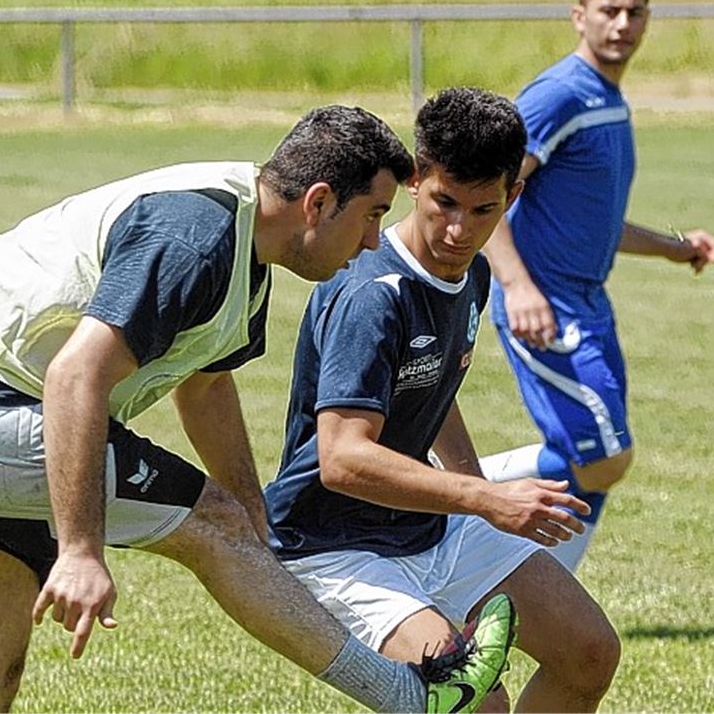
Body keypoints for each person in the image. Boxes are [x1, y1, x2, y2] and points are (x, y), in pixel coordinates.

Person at [0, 105, 517, 714]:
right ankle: (417, 698)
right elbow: (75, 375)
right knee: (212, 524)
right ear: (319, 203)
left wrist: (254, 512)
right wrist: (80, 549)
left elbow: (205, 387)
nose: (375, 239)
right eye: (372, 215)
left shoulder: (246, 253)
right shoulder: (198, 240)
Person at [264, 87, 622, 713]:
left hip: (425, 526)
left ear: (511, 197)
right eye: (444, 202)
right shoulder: (373, 296)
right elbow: (342, 458)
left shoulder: (470, 273)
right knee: (477, 703)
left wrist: (475, 494)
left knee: (587, 650)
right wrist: (486, 499)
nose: (459, 230)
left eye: (483, 210)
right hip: (336, 545)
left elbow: (429, 386)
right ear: (414, 180)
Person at [477, 0, 714, 571]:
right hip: (545, 308)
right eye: (609, 10)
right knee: (604, 457)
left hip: (588, 302)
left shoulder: (607, 99)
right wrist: (517, 285)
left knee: (596, 460)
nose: (622, 24)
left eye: (634, 12)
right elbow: (486, 195)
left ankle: (551, 597)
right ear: (579, 15)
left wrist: (675, 247)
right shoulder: (558, 95)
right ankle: (434, 488)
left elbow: (595, 224)